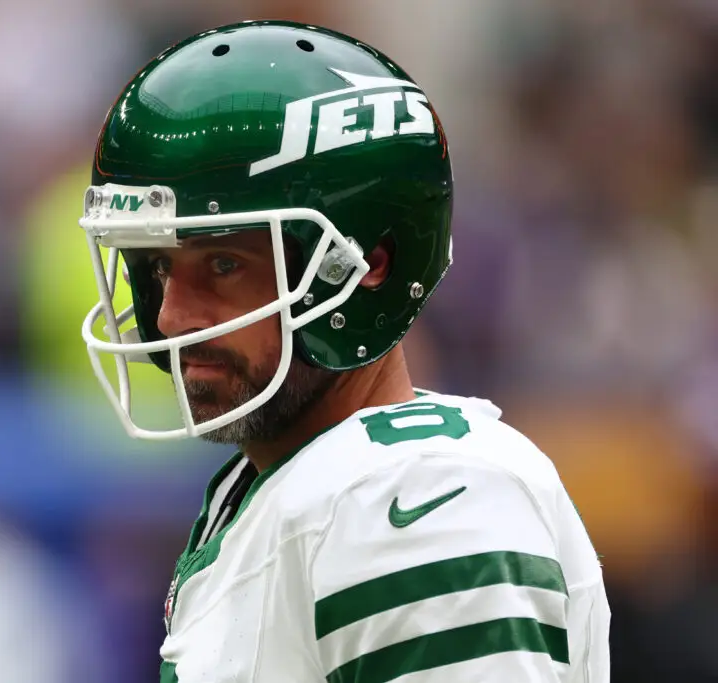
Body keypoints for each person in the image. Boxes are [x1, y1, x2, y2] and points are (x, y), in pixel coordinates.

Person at [77, 19, 611, 683]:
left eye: (220, 263)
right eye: (156, 266)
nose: (170, 313)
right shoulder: (287, 488)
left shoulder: (411, 495)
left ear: (368, 268)